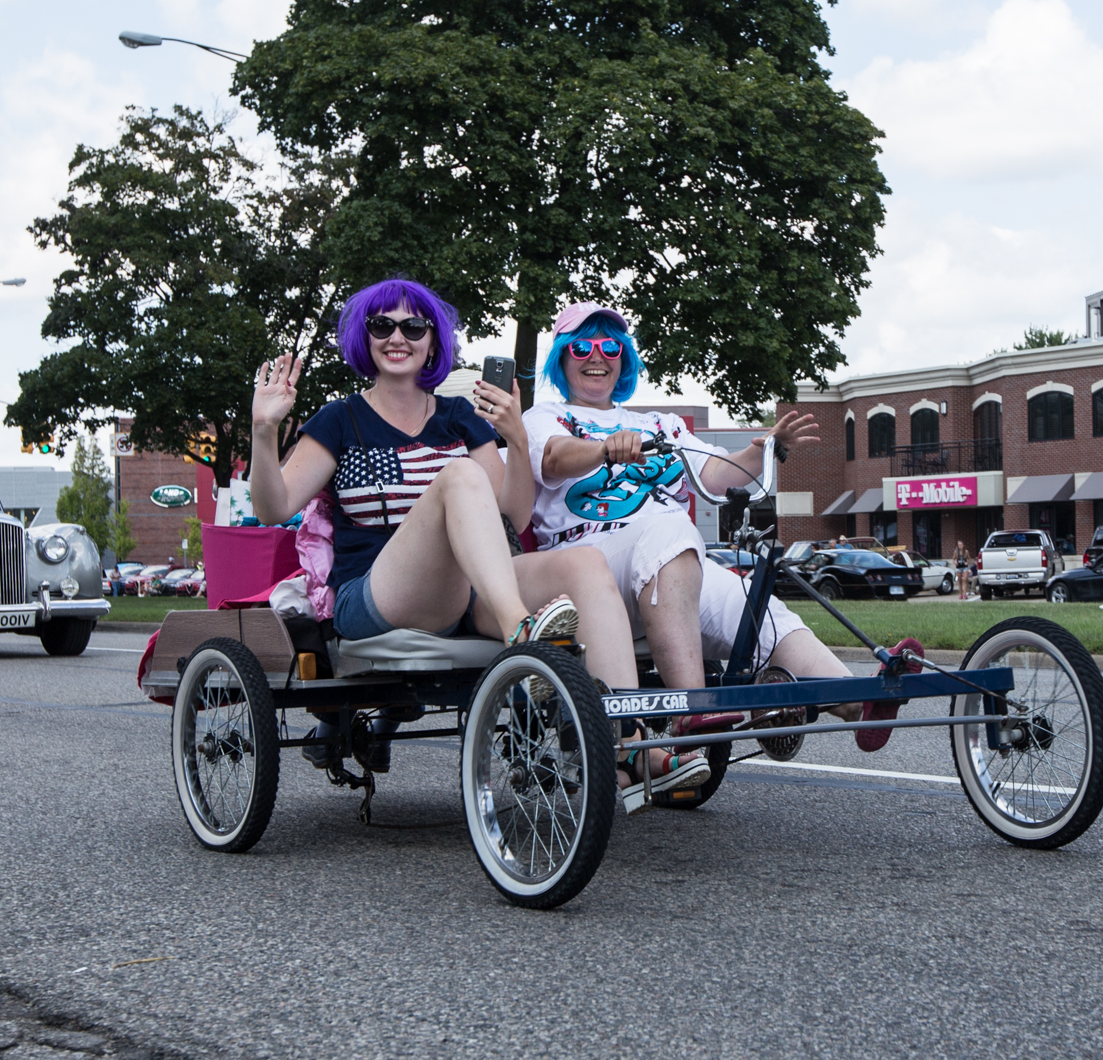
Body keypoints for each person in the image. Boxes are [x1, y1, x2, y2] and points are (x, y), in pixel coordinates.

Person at [247, 279, 654, 777]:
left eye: (414, 327)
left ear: (433, 341)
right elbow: (273, 507)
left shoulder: (459, 416)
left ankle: (631, 742)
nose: (398, 337)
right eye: (382, 325)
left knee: (586, 564)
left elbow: (513, 518)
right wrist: (264, 431)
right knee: (459, 476)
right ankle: (521, 634)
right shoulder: (339, 419)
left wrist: (516, 439)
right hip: (376, 594)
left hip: (467, 594)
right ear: (364, 337)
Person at [520, 303, 923, 772]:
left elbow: (714, 475)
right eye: (581, 347)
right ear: (562, 357)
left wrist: (765, 449)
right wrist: (603, 448)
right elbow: (553, 458)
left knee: (754, 608)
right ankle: (694, 713)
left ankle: (859, 702)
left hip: (671, 565)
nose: (597, 356)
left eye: (610, 346)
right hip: (589, 566)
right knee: (671, 530)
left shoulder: (659, 424)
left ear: (623, 357)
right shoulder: (545, 416)